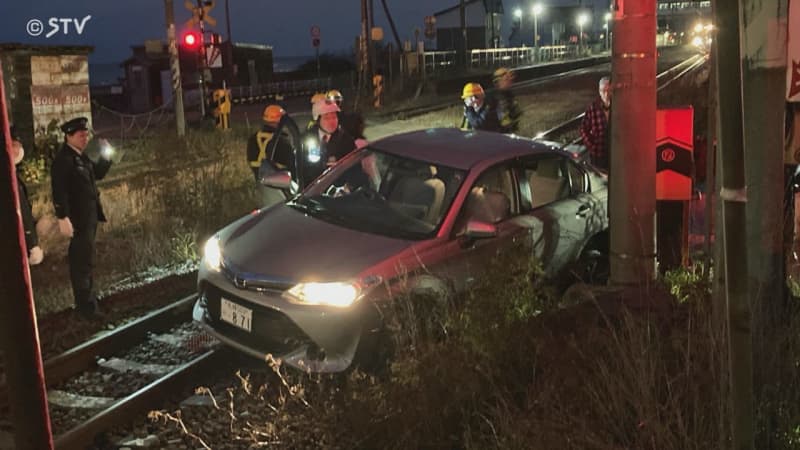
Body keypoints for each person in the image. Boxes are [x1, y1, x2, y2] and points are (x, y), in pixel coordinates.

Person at [50, 117, 113, 317]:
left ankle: (88, 299)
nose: (85, 138)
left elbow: (97, 174)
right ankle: (86, 307)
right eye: (80, 135)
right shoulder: (63, 161)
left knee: (86, 260)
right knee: (80, 263)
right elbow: (58, 191)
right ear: (69, 136)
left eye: (86, 135)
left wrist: (106, 156)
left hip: (89, 218)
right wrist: (63, 217)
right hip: (77, 220)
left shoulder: (81, 157)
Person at [8, 126, 43, 265]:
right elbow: (20, 210)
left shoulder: (13, 171)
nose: (16, 150)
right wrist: (31, 243)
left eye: (18, 146)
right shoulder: (8, 176)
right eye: (13, 145)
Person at [300, 99, 357, 185]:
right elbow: (300, 167)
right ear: (317, 120)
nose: (331, 121)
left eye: (334, 117)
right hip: (312, 189)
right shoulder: (306, 138)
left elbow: (355, 167)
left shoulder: (346, 140)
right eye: (326, 118)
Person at [580, 76, 612, 171]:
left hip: (615, 154)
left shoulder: (618, 106)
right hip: (598, 153)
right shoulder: (593, 108)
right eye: (603, 91)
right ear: (599, 92)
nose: (606, 94)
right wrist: (591, 146)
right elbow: (583, 128)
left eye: (608, 90)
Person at [489, 68, 522, 134]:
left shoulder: (508, 94)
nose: (510, 81)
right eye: (507, 79)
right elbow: (503, 120)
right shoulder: (497, 97)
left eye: (510, 79)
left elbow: (515, 113)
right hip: (499, 135)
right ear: (499, 81)